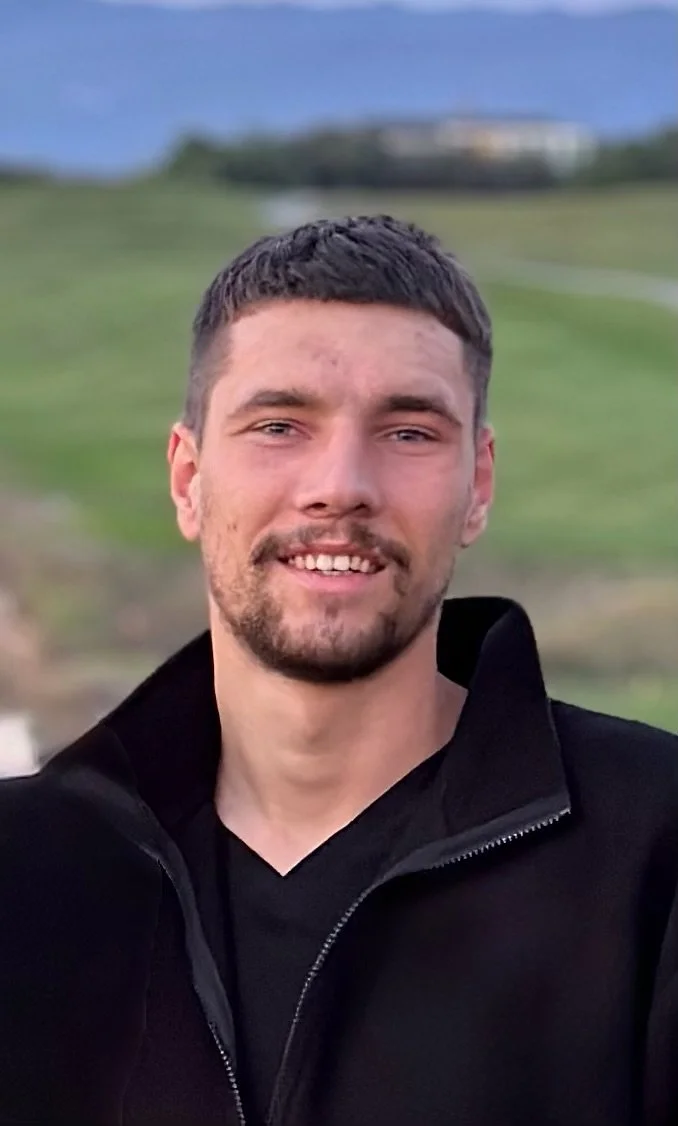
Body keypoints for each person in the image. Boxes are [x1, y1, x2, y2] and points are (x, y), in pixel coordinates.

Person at [0, 215, 676, 1126]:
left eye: (408, 433)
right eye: (279, 425)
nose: (340, 484)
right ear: (187, 478)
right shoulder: (29, 871)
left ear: (477, 485)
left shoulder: (655, 853)